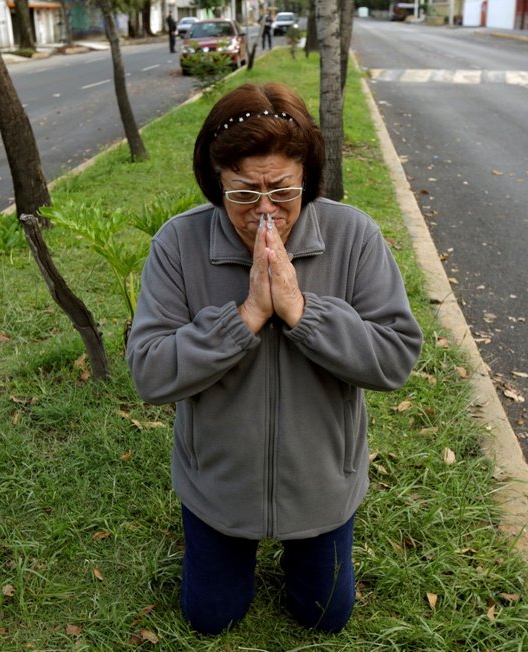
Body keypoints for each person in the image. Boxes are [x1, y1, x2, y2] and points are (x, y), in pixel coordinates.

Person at [125, 82, 423, 635]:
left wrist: (302, 311)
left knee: (325, 617)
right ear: (217, 183)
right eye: (243, 194)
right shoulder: (178, 243)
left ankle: (304, 548)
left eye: (282, 191)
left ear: (306, 179)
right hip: (219, 485)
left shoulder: (352, 235)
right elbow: (147, 369)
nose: (265, 212)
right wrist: (245, 318)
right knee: (210, 618)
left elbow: (396, 355)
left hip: (320, 485)